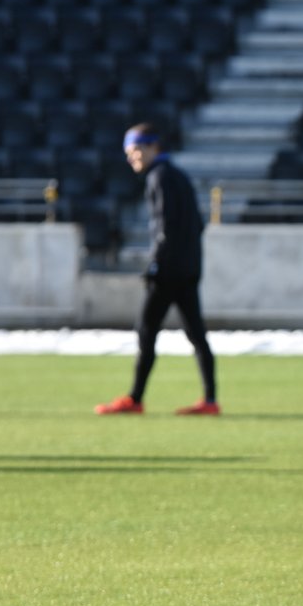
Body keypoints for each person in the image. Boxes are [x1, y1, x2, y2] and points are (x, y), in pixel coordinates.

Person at [94, 123, 219, 416]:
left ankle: (135, 399)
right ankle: (210, 401)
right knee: (196, 334)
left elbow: (165, 226)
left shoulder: (158, 177)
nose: (131, 157)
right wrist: (188, 261)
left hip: (168, 271)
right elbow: (196, 225)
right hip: (188, 267)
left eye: (135, 150)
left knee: (146, 330)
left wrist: (156, 264)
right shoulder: (178, 175)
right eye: (128, 152)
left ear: (153, 146)